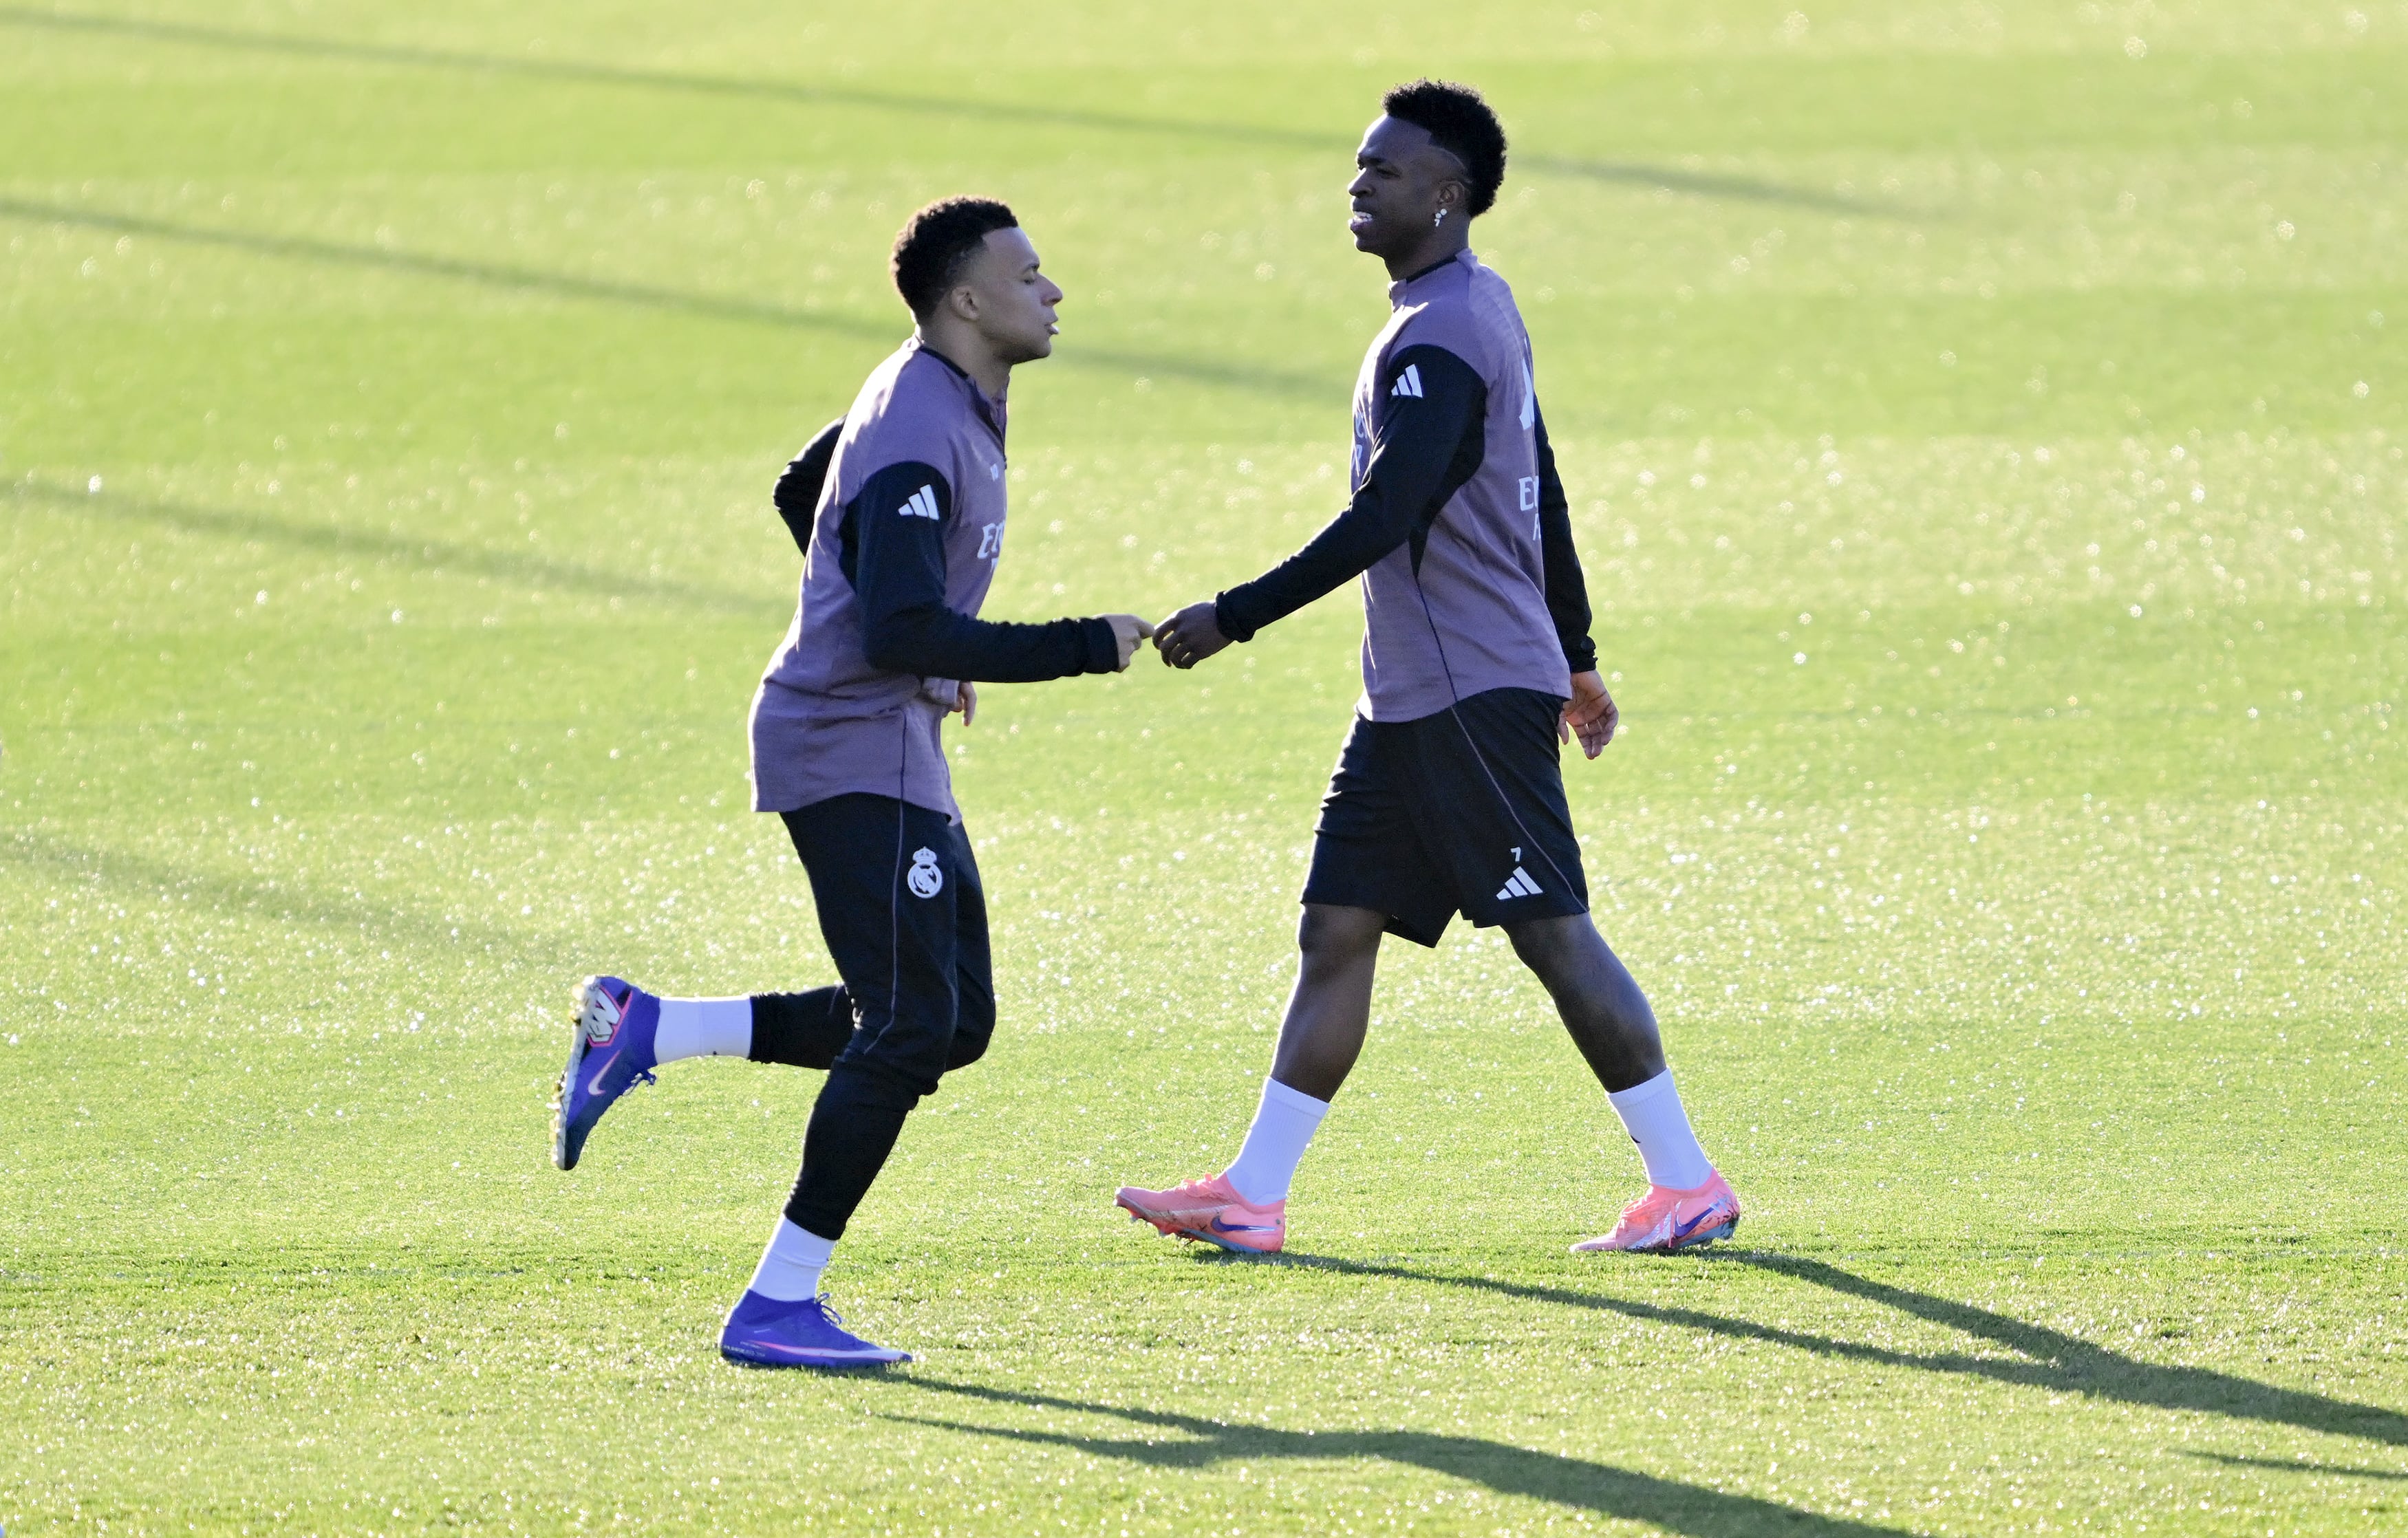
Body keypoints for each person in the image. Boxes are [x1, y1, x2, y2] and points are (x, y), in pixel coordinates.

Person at [1116, 81, 1738, 1257]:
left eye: (1385, 171)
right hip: (1413, 697)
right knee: (1337, 931)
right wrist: (1581, 656)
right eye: (1359, 164)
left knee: (1552, 930)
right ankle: (1255, 1192)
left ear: (1447, 197)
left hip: (1466, 695)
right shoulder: (1467, 308)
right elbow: (1540, 484)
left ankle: (1687, 1180)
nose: (1358, 184)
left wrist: (1234, 616)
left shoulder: (1441, 334)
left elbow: (1390, 510)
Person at [552, 197, 1153, 1367]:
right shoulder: (924, 420)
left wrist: (925, 630)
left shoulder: (937, 393)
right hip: (846, 747)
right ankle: (777, 1304)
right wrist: (1071, 641)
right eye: (1030, 275)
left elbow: (802, 492)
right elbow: (890, 628)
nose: (1054, 291)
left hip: (890, 748)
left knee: (954, 1020)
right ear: (966, 301)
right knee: (911, 1020)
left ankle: (650, 1029)